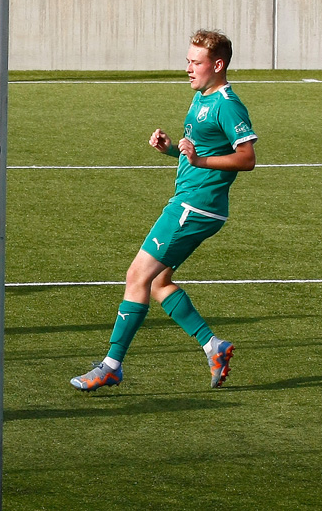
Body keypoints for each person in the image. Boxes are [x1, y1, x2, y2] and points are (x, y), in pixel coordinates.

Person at [70, 30, 257, 392]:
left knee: (136, 276)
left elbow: (247, 158)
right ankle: (213, 346)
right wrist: (173, 150)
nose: (188, 68)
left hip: (195, 206)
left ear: (217, 65)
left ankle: (111, 365)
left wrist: (199, 159)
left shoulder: (226, 104)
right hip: (193, 202)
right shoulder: (202, 97)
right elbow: (196, 153)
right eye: (188, 60)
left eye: (196, 62)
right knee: (157, 282)